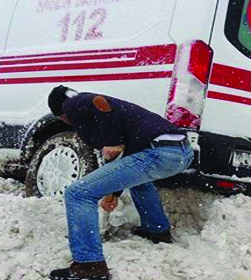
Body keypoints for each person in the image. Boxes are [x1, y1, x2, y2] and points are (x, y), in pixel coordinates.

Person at [47, 85, 194, 280]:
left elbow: (99, 102)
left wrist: (112, 140)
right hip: (180, 153)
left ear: (60, 113)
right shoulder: (107, 119)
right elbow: (122, 163)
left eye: (61, 119)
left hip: (159, 152)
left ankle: (89, 265)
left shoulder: (73, 103)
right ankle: (157, 230)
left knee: (78, 193)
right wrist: (113, 195)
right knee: (140, 182)